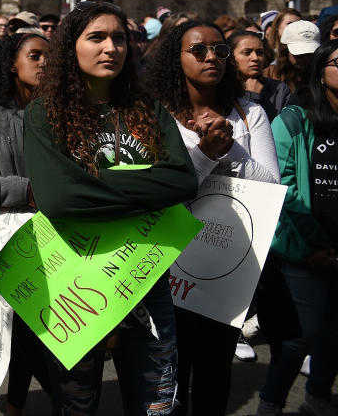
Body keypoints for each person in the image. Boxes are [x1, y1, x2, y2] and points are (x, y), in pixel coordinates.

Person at [23, 1, 198, 415]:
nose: (111, 48)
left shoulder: (148, 109)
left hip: (146, 280)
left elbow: (183, 181)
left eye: (119, 38)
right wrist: (146, 187)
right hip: (74, 284)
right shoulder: (44, 114)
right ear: (71, 47)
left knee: (159, 408)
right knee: (76, 406)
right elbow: (58, 198)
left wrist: (91, 184)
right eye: (96, 37)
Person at [144, 21, 279, 416]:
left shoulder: (249, 112)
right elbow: (161, 189)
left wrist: (231, 149)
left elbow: (270, 185)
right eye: (198, 50)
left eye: (220, 51)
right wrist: (205, 153)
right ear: (176, 58)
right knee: (169, 372)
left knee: (215, 371)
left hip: (229, 265)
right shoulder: (157, 116)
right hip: (169, 262)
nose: (211, 58)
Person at [256, 40, 338, 416]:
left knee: (335, 335)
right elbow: (281, 186)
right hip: (305, 249)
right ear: (321, 71)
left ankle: (318, 399)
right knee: (296, 340)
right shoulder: (293, 119)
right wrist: (315, 245)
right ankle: (271, 405)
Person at [0, 32, 51, 416]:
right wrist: (29, 190)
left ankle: (16, 405)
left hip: (56, 231)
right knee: (24, 327)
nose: (44, 63)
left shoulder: (59, 113)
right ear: (12, 63)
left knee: (37, 325)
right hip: (10, 232)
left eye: (49, 57)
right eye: (35, 55)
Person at [228, 30, 292, 122]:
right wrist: (251, 97)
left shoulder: (279, 89)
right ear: (231, 57)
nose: (255, 58)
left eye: (259, 52)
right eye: (247, 52)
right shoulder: (223, 90)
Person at [266, 20, 321, 95]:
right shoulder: (268, 75)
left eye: (310, 54)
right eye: (300, 54)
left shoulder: (323, 77)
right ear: (285, 51)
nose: (305, 59)